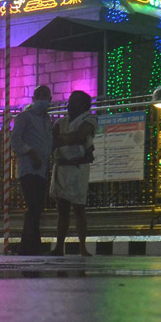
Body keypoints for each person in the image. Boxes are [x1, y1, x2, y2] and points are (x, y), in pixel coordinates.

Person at [49, 90, 97, 256]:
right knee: (62, 208)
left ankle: (82, 247)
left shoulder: (89, 119)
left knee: (79, 208)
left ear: (83, 105)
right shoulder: (62, 122)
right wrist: (63, 139)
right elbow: (52, 138)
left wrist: (59, 140)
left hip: (78, 169)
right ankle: (58, 247)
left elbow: (78, 136)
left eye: (73, 101)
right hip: (61, 167)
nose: (69, 104)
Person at [11, 85, 54, 255]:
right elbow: (15, 140)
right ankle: (33, 244)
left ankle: (26, 245)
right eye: (40, 96)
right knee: (33, 206)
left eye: (46, 96)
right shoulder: (25, 117)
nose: (43, 99)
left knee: (36, 207)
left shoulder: (46, 120)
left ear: (50, 100)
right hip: (28, 169)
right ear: (34, 99)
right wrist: (30, 152)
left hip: (42, 169)